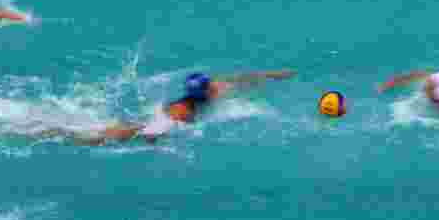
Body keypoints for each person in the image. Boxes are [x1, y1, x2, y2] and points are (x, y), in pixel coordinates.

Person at [39, 70, 296, 145]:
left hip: (160, 119)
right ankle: (59, 133)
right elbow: (153, 132)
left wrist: (274, 76)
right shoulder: (181, 110)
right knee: (110, 136)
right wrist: (156, 142)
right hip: (154, 123)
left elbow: (244, 78)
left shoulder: (215, 88)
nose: (213, 88)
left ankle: (61, 131)